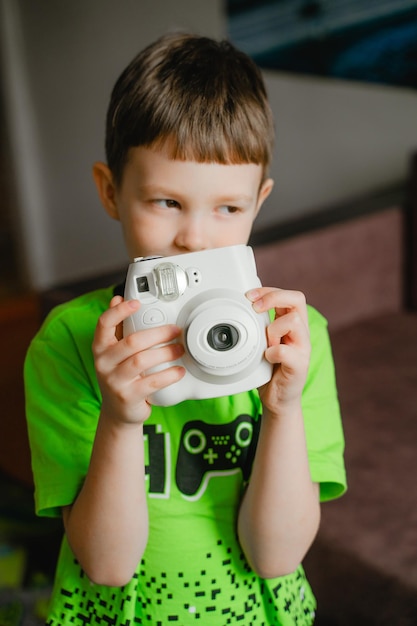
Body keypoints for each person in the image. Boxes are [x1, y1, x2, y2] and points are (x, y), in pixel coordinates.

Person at [24, 32, 346, 625]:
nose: (194, 238)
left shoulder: (300, 340)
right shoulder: (70, 341)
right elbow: (107, 565)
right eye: (166, 202)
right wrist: (121, 421)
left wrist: (284, 409)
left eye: (228, 207)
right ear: (111, 191)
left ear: (259, 201)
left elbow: (276, 558)